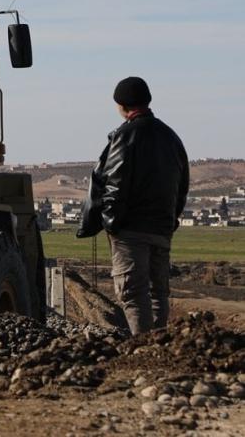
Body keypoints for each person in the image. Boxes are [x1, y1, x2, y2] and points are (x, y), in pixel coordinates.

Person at [77, 76, 189, 335]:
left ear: (121, 105)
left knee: (133, 293)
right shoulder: (171, 137)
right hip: (161, 229)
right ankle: (160, 346)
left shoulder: (125, 135)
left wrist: (111, 222)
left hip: (130, 231)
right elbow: (182, 186)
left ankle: (144, 346)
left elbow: (114, 183)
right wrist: (170, 220)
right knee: (158, 293)